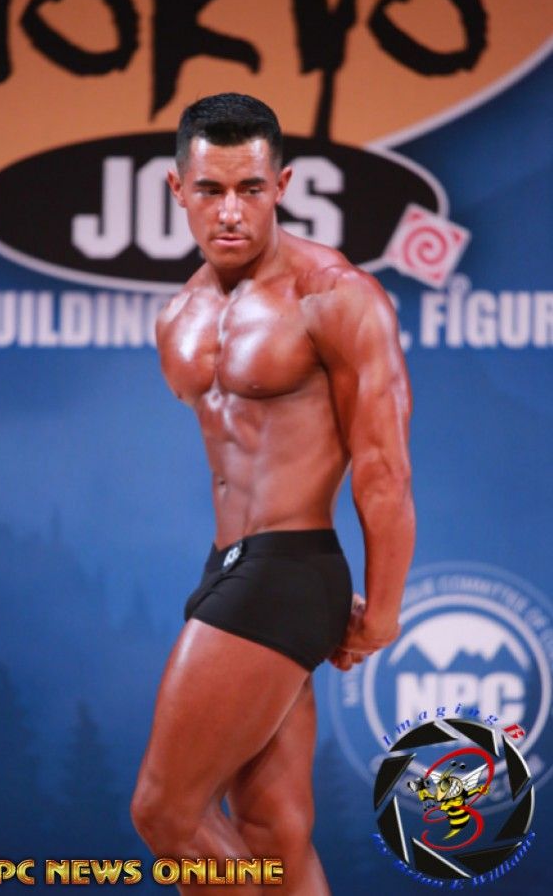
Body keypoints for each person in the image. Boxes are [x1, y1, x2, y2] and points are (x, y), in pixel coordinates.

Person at [131, 93, 415, 894]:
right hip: (230, 566)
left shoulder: (334, 295)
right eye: (211, 189)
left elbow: (383, 466)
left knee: (165, 815)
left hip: (287, 571)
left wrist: (384, 609)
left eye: (250, 189)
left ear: (281, 185)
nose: (231, 211)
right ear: (177, 190)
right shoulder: (180, 315)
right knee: (271, 833)